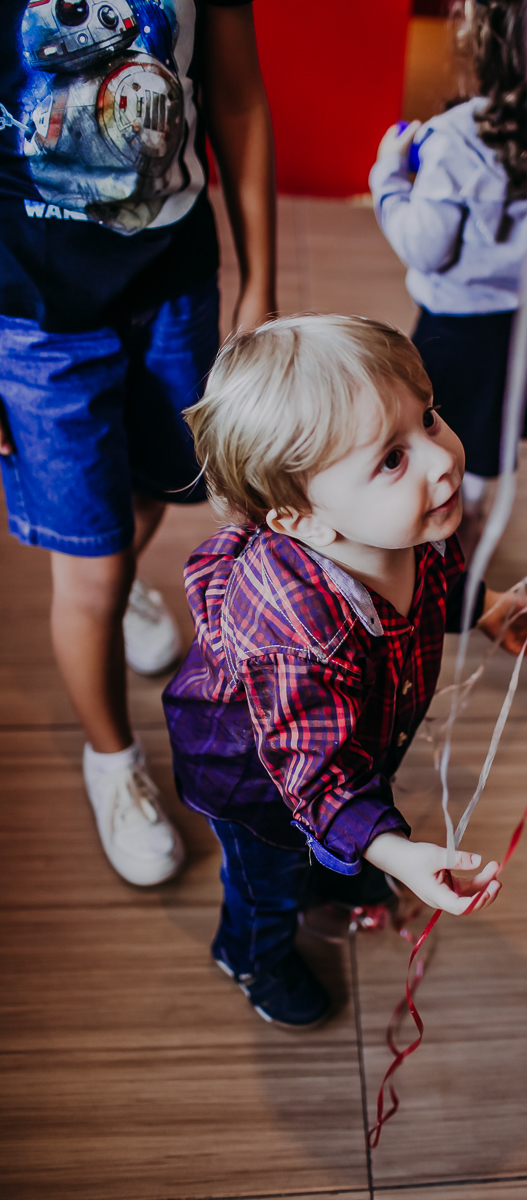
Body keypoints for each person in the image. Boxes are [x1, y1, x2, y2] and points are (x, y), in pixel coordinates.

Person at [162, 314, 527, 1028]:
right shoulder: (296, 636)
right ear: (303, 519)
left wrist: (488, 605)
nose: (440, 460)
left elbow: (442, 581)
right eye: (392, 458)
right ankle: (250, 953)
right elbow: (318, 777)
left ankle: (345, 863)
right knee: (270, 884)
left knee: (350, 820)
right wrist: (399, 853)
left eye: (428, 419)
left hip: (353, 743)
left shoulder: (412, 524)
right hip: (261, 787)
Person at [0, 0, 276, 886]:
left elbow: (236, 101)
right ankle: (112, 759)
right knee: (94, 564)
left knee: (168, 483)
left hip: (173, 287)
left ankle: (120, 593)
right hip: (31, 313)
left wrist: (258, 281)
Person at [369, 0, 527, 559]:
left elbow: (426, 249)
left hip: (454, 330)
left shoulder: (454, 137)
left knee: (441, 426)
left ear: (478, 41)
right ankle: (475, 519)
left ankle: (443, 542)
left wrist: (388, 179)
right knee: (492, 433)